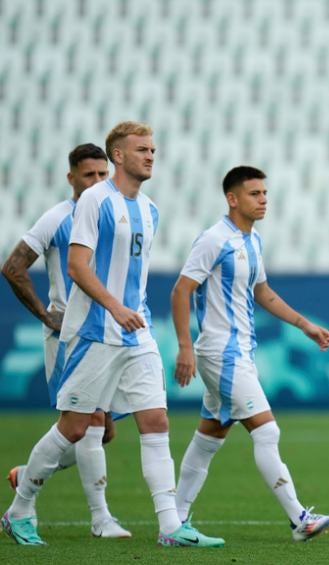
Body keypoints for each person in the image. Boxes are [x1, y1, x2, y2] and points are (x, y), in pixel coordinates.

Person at [1, 121, 222, 547]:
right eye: (142, 149)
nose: (150, 155)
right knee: (75, 427)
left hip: (135, 334)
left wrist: (131, 311)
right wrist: (115, 307)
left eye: (153, 149)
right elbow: (76, 267)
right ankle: (20, 508)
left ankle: (170, 526)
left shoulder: (150, 209)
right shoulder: (94, 203)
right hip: (92, 333)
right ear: (118, 155)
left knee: (156, 420)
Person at [171, 166, 329, 542]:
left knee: (209, 438)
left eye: (265, 193)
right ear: (232, 199)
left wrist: (304, 325)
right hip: (222, 352)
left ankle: (174, 522)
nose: (263, 200)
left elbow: (262, 293)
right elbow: (181, 290)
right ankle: (299, 519)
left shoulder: (253, 241)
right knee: (267, 430)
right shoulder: (214, 240)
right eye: (254, 194)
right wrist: (185, 345)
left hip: (238, 351)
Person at [1, 143, 129, 539]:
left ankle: (30, 475)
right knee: (88, 425)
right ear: (71, 178)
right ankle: (98, 518)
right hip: (71, 336)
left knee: (103, 431)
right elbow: (14, 266)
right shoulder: (58, 218)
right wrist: (45, 313)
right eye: (88, 175)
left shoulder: (118, 212)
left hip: (108, 333)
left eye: (102, 174)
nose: (96, 182)